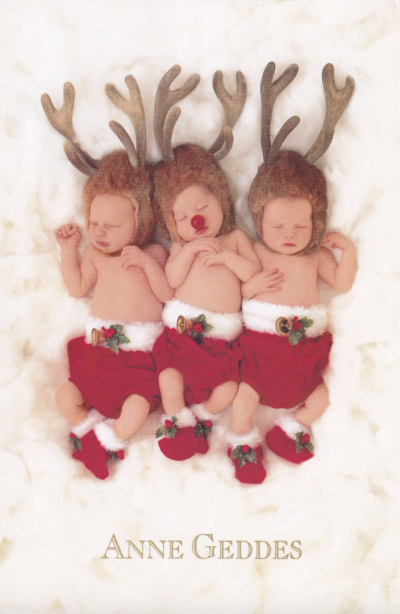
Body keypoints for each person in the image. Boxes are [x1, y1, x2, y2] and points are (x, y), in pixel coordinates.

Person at [229, 150, 357, 483]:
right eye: (277, 226)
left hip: (303, 353)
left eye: (301, 225)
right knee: (243, 402)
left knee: (321, 397)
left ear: (315, 222)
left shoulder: (316, 255)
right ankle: (242, 442)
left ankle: (290, 429)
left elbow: (342, 283)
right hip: (261, 350)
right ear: (259, 222)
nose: (289, 234)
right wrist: (252, 284)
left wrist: (349, 251)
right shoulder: (257, 252)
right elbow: (236, 292)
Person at [54, 151, 174, 479]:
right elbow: (78, 288)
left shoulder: (154, 252)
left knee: (137, 407)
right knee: (65, 394)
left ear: (140, 222)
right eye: (94, 223)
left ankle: (109, 441)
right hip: (98, 356)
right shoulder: (95, 254)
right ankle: (86, 427)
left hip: (138, 361)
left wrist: (148, 265)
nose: (99, 232)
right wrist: (69, 252)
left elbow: (168, 295)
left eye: (111, 225)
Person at [151, 143, 267, 461]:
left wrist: (228, 258)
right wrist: (188, 251)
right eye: (184, 217)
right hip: (181, 336)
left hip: (219, 346)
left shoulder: (235, 238)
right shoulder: (179, 245)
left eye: (203, 207)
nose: (196, 221)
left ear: (222, 201)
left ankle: (203, 414)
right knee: (168, 378)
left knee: (228, 389)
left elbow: (252, 272)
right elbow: (172, 280)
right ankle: (176, 420)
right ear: (173, 225)